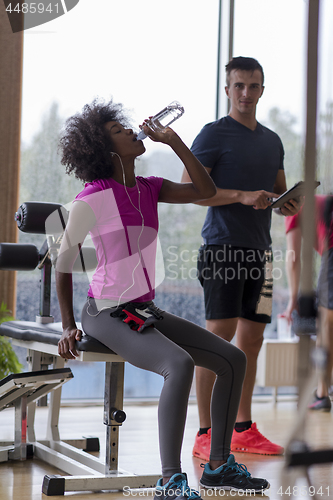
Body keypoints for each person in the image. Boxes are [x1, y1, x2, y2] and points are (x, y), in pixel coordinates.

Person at [55, 98, 270, 497]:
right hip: (103, 310)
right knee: (179, 363)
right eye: (120, 131)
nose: (132, 131)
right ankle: (170, 479)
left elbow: (204, 190)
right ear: (106, 150)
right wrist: (68, 324)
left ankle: (219, 465)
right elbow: (63, 263)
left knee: (233, 358)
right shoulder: (93, 197)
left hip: (142, 308)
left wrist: (174, 143)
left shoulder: (150, 188)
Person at [181, 56, 302, 460]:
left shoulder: (272, 140)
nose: (246, 94)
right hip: (222, 249)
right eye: (239, 86)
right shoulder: (213, 134)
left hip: (261, 254)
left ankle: (242, 428)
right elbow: (190, 190)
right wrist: (240, 195)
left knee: (252, 340)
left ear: (262, 89)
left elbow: (278, 191)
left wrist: (286, 204)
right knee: (217, 339)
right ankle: (204, 432)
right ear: (227, 89)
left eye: (253, 86)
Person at [283, 194, 333, 411]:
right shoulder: (321, 200)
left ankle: (322, 394)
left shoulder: (291, 208)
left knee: (326, 326)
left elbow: (293, 256)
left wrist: (294, 299)